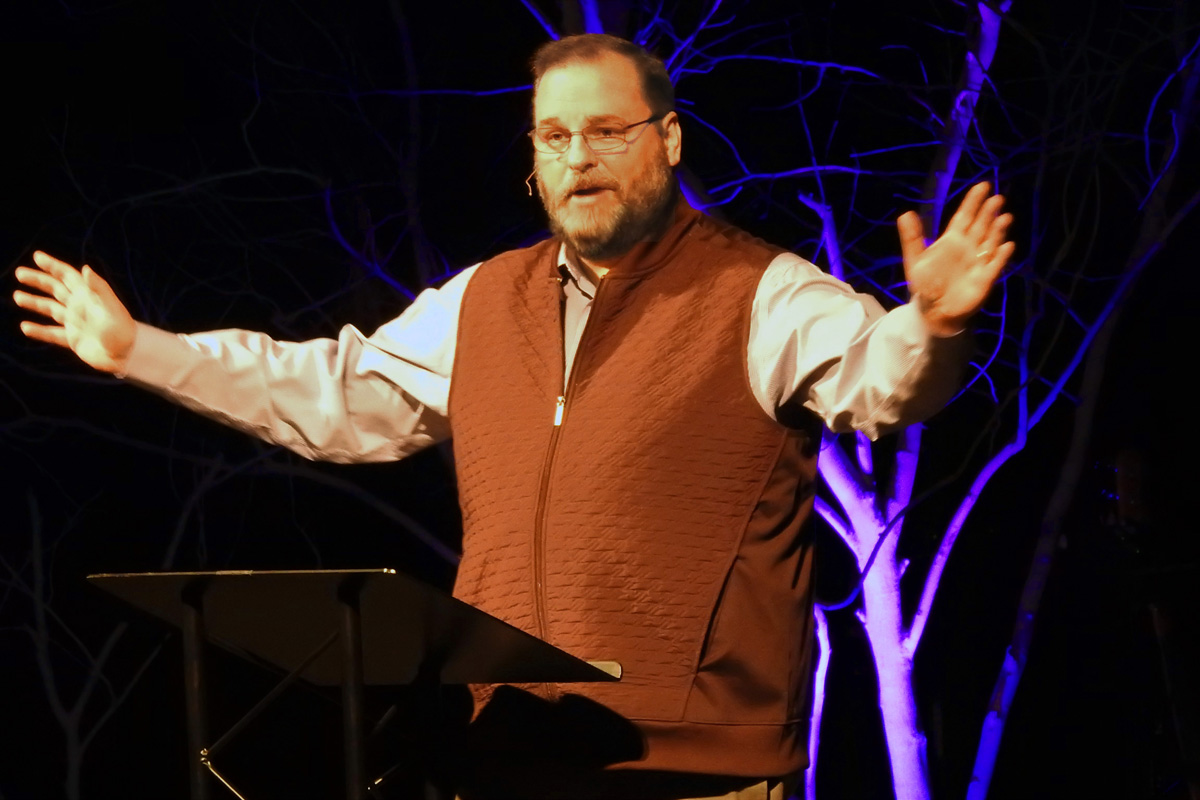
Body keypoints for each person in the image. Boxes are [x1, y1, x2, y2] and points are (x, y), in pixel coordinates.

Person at [15, 33, 1012, 800]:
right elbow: (341, 392)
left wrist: (932, 323)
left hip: (695, 769)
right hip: (508, 755)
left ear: (666, 140)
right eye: (554, 136)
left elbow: (884, 382)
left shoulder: (762, 293)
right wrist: (140, 349)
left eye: (607, 132)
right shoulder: (484, 300)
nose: (579, 159)